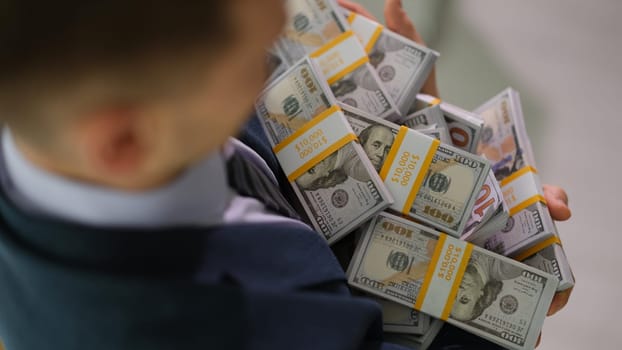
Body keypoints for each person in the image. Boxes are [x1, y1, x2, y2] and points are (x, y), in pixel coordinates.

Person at [0, 1, 572, 350]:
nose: (290, 65)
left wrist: (422, 123)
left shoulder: (59, 113)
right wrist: (502, 310)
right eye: (258, 57)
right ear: (124, 141)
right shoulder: (230, 330)